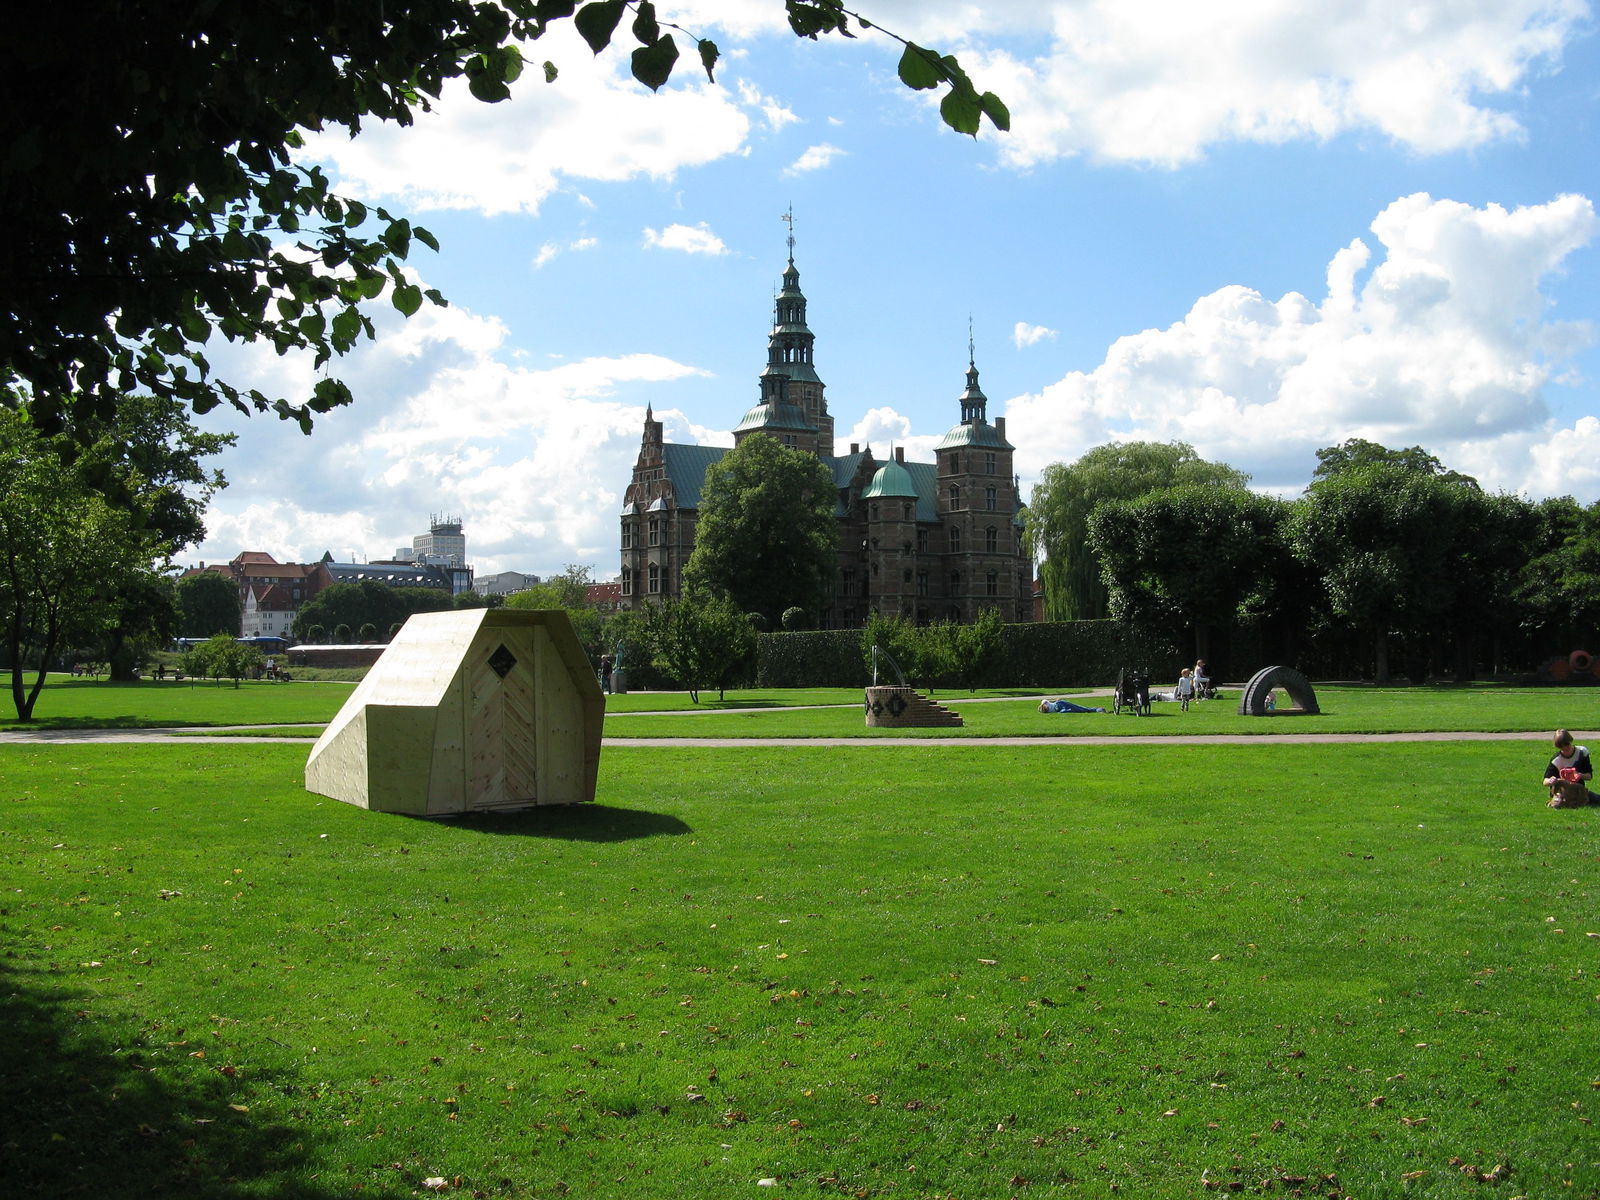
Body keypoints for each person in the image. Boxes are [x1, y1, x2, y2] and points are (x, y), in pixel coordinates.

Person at [1543, 729, 1593, 808]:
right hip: (1561, 793)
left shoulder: (1582, 753)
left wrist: (1579, 775)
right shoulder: (1556, 760)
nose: (1566, 750)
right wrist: (1550, 781)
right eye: (1562, 749)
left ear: (1570, 742)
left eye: (1567, 746)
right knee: (1558, 804)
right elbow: (1545, 781)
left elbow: (1589, 776)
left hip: (1578, 791)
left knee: (1596, 798)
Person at [1039, 698, 1106, 714]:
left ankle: (1099, 709)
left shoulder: (1044, 703)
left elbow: (1053, 703)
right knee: (1081, 709)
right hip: (1061, 705)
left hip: (1061, 704)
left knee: (1082, 709)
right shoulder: (1048, 710)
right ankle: (1098, 709)